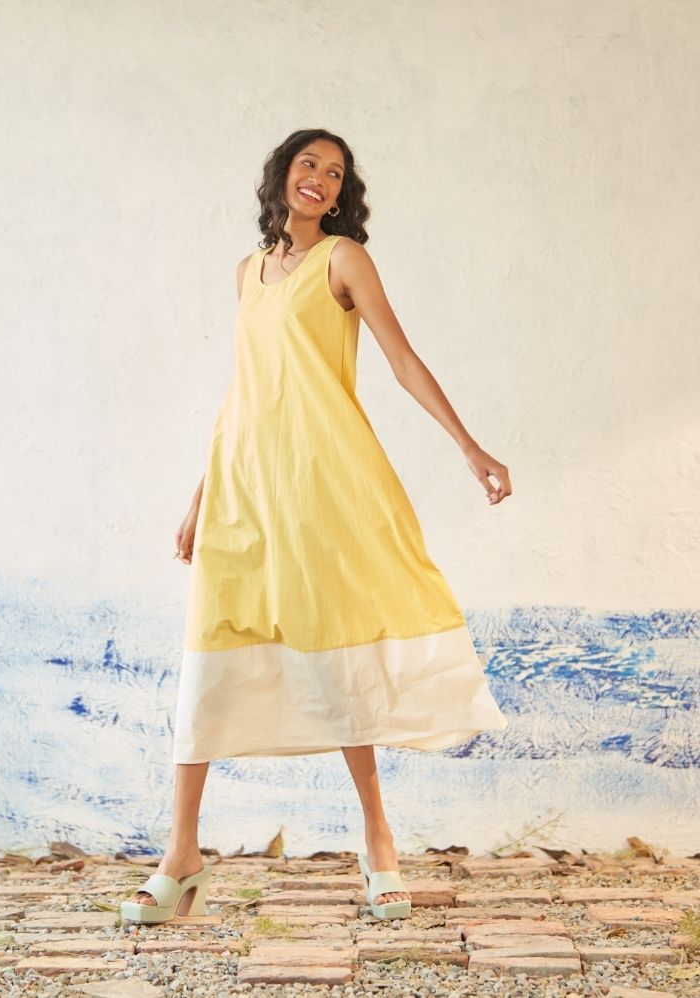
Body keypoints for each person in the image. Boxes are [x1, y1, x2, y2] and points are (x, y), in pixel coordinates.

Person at [121, 128, 512, 926]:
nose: (321, 179)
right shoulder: (249, 272)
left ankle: (379, 844)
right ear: (282, 174)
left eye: (335, 174)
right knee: (208, 656)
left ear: (339, 195)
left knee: (336, 660)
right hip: (242, 487)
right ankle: (181, 855)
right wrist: (201, 496)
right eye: (309, 164)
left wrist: (469, 447)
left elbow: (401, 360)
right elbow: (246, 391)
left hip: (317, 481)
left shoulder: (344, 260)